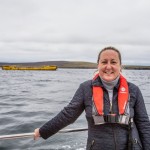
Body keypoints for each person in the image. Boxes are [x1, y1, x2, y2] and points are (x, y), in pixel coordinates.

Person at [34, 46, 150, 150]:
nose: (108, 66)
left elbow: (144, 124)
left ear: (120, 66)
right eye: (104, 62)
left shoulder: (134, 90)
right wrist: (43, 131)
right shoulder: (85, 88)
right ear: (98, 65)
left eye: (113, 62)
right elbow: (68, 114)